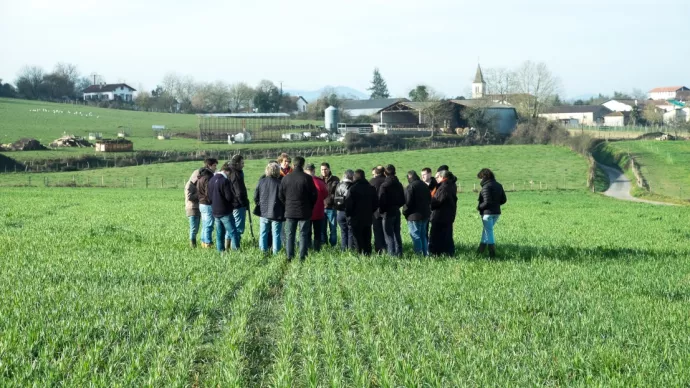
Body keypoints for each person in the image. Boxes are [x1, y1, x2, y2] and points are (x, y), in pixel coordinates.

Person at [279, 156, 317, 261]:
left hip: (290, 210)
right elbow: (314, 195)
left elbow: (280, 195)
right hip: (304, 211)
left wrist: (286, 204)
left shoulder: (286, 178)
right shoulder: (307, 178)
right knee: (303, 234)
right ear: (303, 165)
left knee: (290, 234)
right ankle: (302, 257)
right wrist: (310, 206)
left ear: (293, 165)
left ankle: (289, 256)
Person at [207, 162, 239, 252]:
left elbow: (209, 196)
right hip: (225, 211)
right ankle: (236, 251)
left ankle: (220, 251)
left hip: (215, 211)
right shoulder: (224, 181)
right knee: (233, 232)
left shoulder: (212, 180)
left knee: (219, 233)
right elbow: (228, 197)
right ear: (227, 171)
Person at [345, 169, 378, 255]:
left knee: (358, 240)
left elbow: (348, 205)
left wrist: (349, 215)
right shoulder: (371, 188)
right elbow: (376, 204)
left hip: (355, 219)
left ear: (354, 177)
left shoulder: (352, 189)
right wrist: (370, 212)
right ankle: (368, 255)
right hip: (368, 218)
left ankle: (360, 256)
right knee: (367, 239)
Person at [476, 168, 507, 258]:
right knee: (486, 231)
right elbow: (504, 200)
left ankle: (492, 254)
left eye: (481, 178)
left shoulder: (486, 187)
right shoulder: (499, 185)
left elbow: (486, 202)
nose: (480, 180)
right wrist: (496, 205)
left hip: (487, 214)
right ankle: (479, 251)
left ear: (484, 177)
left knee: (489, 232)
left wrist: (479, 207)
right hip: (496, 213)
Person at [254, 162, 284, 255]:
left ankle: (263, 252)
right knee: (276, 234)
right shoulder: (280, 183)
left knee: (263, 233)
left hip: (263, 212)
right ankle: (276, 254)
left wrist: (259, 204)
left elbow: (256, 196)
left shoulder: (261, 181)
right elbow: (283, 198)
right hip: (276, 213)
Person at [378, 164, 405, 257]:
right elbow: (403, 200)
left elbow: (381, 201)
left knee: (389, 236)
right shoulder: (399, 184)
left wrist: (381, 211)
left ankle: (392, 255)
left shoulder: (384, 186)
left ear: (385, 173)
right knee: (397, 233)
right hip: (396, 211)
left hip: (387, 213)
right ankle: (399, 253)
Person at [430, 169, 458, 256]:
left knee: (436, 235)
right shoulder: (451, 185)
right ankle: (448, 253)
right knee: (447, 235)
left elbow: (437, 201)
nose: (436, 179)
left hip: (440, 215)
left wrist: (429, 203)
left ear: (442, 177)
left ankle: (436, 253)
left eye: (437, 177)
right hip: (448, 215)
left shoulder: (444, 187)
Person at [403, 170, 431, 256]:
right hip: (425, 214)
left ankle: (419, 255)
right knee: (423, 235)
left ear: (409, 177)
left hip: (413, 216)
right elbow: (429, 199)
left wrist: (405, 212)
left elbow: (407, 202)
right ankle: (426, 254)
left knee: (415, 236)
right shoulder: (425, 185)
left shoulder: (410, 187)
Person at [305, 163, 328, 252]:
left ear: (305, 171)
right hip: (318, 211)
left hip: (307, 212)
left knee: (307, 232)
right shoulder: (320, 182)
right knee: (317, 233)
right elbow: (325, 194)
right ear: (314, 171)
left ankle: (308, 248)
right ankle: (317, 249)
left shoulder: (304, 181)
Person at [195, 158, 218, 248]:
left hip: (201, 203)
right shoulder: (209, 177)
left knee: (205, 224)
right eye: (214, 165)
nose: (216, 168)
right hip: (208, 204)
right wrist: (213, 200)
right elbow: (209, 192)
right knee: (209, 224)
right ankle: (208, 243)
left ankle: (203, 242)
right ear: (209, 165)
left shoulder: (201, 176)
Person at [228, 155, 249, 247]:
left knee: (231, 227)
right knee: (238, 228)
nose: (243, 165)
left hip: (230, 204)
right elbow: (239, 192)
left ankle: (227, 247)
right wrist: (243, 203)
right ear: (236, 164)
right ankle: (235, 247)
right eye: (242, 163)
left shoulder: (230, 172)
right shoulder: (236, 174)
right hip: (238, 204)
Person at [320, 162, 340, 247]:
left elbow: (338, 193)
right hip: (321, 208)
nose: (324, 171)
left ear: (329, 169)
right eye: (322, 170)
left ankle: (333, 245)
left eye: (325, 169)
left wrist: (333, 200)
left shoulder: (335, 179)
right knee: (322, 229)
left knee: (333, 228)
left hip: (332, 208)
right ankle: (324, 245)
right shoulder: (318, 180)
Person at [334, 170, 354, 251]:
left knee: (343, 232)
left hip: (339, 212)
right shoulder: (353, 186)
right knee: (350, 232)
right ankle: (350, 250)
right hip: (349, 212)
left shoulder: (339, 185)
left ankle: (343, 249)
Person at [369, 165, 386, 254]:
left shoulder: (372, 182)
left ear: (376, 173)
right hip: (388, 211)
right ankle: (390, 249)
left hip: (376, 211)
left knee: (377, 231)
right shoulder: (388, 180)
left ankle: (379, 250)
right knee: (388, 232)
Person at [184, 165, 202, 248]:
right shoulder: (190, 184)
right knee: (194, 228)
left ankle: (193, 244)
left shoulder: (196, 184)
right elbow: (189, 197)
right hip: (192, 208)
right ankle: (192, 245)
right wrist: (199, 194)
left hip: (197, 207)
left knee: (196, 228)